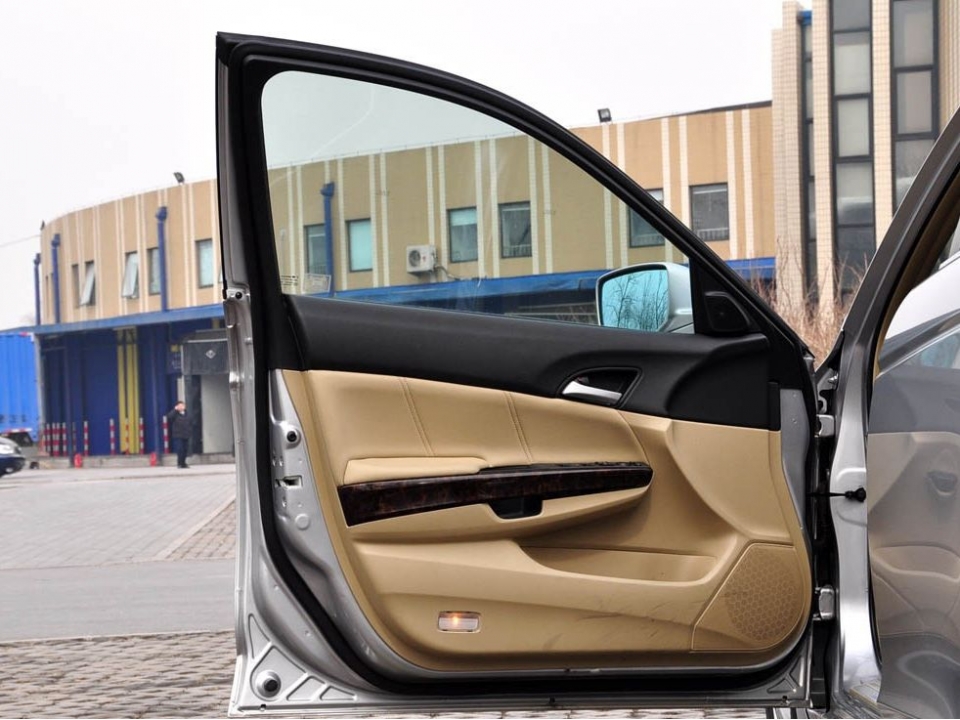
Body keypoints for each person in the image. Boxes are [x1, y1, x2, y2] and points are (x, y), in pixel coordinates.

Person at [166, 400, 191, 468]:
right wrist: (175, 410)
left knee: (185, 449)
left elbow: (190, 422)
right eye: (180, 406)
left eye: (182, 405)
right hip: (178, 434)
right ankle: (179, 463)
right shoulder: (175, 414)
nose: (182, 407)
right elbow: (169, 417)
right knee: (180, 449)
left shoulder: (187, 414)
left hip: (186, 434)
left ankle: (183, 463)